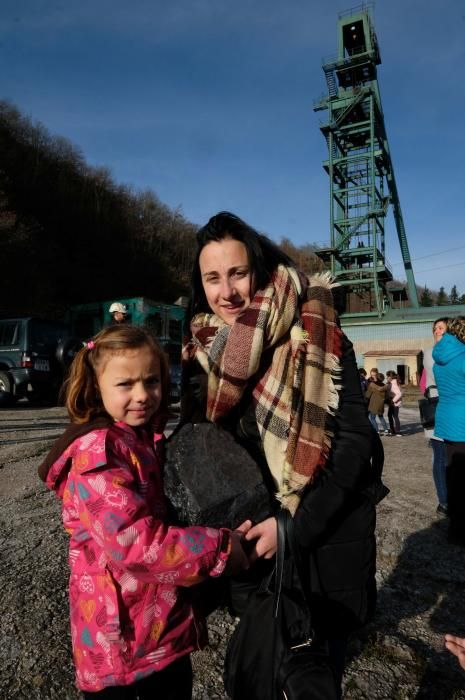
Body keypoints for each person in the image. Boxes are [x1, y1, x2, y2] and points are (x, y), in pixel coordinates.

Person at [180, 211, 386, 695]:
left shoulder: (316, 329)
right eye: (213, 277)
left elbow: (356, 444)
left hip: (320, 542)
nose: (227, 291)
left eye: (237, 273)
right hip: (250, 552)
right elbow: (196, 452)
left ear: (259, 269)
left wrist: (291, 527)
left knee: (313, 676)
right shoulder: (200, 349)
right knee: (259, 671)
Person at [38, 325, 249, 698]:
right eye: (125, 384)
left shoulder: (139, 439)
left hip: (157, 633)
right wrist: (222, 548)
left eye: (151, 381)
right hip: (122, 649)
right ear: (95, 385)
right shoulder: (98, 453)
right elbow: (136, 545)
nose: (142, 395)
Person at [433, 316, 465, 545]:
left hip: (447, 420)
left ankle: (455, 529)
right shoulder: (462, 357)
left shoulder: (440, 358)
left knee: (455, 476)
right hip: (463, 421)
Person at [420, 317, 449, 516]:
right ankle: (444, 500)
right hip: (440, 409)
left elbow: (423, 384)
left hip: (450, 408)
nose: (437, 331)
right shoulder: (431, 354)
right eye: (435, 329)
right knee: (440, 457)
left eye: (441, 328)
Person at [386, 370, 403, 436]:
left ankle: (397, 431)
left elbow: (399, 394)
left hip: (394, 403)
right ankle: (393, 430)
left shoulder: (393, 383)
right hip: (394, 403)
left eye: (387, 376)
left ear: (390, 377)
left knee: (394, 416)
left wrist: (392, 401)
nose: (386, 378)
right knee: (390, 415)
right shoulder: (394, 382)